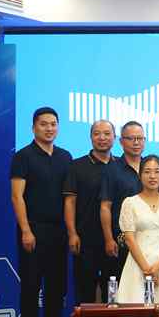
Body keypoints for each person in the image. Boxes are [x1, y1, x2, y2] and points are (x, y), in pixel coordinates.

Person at [10, 107, 72, 317]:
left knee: (56, 288)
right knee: (31, 286)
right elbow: (17, 196)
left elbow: (69, 198)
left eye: (53, 124)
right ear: (33, 127)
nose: (49, 128)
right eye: (44, 124)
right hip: (33, 230)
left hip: (58, 232)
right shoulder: (23, 156)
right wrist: (26, 230)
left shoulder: (65, 156)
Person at [63, 119, 117, 304]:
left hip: (115, 240)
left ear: (115, 137)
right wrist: (72, 233)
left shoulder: (120, 165)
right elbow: (70, 202)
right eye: (97, 134)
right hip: (85, 239)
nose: (102, 138)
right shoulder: (77, 166)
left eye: (107, 134)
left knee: (113, 296)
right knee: (85, 294)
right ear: (90, 137)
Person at [117, 155, 159, 303]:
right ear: (140, 175)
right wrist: (147, 270)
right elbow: (129, 239)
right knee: (135, 307)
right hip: (138, 263)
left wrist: (157, 268)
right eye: (147, 172)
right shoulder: (130, 203)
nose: (152, 176)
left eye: (157, 171)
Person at [100, 121, 145, 278]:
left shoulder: (151, 168)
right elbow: (105, 206)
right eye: (131, 138)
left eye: (140, 138)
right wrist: (108, 239)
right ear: (121, 141)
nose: (136, 143)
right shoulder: (112, 169)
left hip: (149, 237)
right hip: (122, 239)